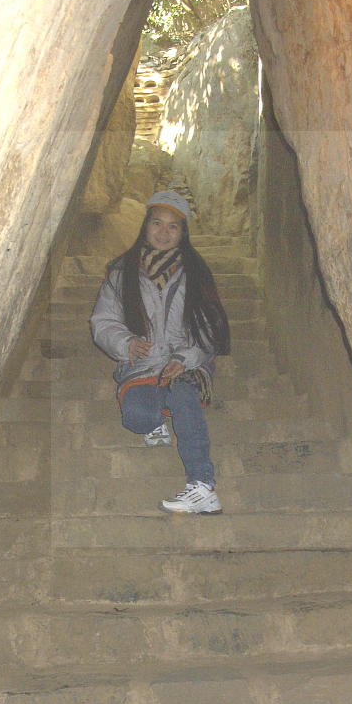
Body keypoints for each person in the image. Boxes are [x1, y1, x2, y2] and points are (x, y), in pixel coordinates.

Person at [90, 190, 230, 514]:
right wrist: (126, 342)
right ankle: (156, 415)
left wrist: (185, 358)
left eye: (173, 226)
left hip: (186, 364)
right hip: (142, 364)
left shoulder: (197, 274)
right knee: (137, 418)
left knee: (183, 396)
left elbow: (210, 327)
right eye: (157, 223)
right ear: (146, 225)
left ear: (183, 233)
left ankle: (203, 486)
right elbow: (103, 321)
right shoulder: (121, 272)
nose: (163, 232)